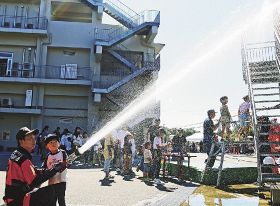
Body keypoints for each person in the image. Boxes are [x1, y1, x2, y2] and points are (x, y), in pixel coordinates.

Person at [3, 127, 64, 206]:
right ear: (21, 141)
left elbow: (32, 170)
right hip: (18, 200)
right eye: (29, 139)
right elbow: (34, 181)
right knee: (50, 191)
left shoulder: (17, 153)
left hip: (12, 198)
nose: (33, 141)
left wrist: (46, 170)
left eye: (34, 138)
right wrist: (53, 170)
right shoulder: (24, 158)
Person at [43, 134, 68, 206]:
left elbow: (67, 162)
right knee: (51, 200)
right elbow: (44, 166)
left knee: (61, 200)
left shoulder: (62, 153)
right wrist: (43, 170)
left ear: (59, 144)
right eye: (51, 142)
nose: (54, 144)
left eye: (55, 142)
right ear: (47, 146)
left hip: (61, 181)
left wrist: (62, 165)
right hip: (51, 182)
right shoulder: (48, 156)